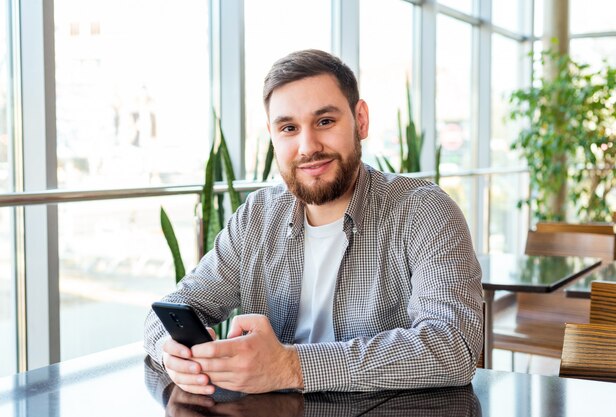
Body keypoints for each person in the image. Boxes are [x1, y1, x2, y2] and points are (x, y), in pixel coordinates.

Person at [144, 49, 483, 395]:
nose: (308, 147)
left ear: (360, 120)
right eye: (289, 128)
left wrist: (291, 367)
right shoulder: (256, 216)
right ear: (273, 135)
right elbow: (170, 311)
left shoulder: (424, 211)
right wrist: (170, 353)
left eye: (325, 121)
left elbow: (454, 346)